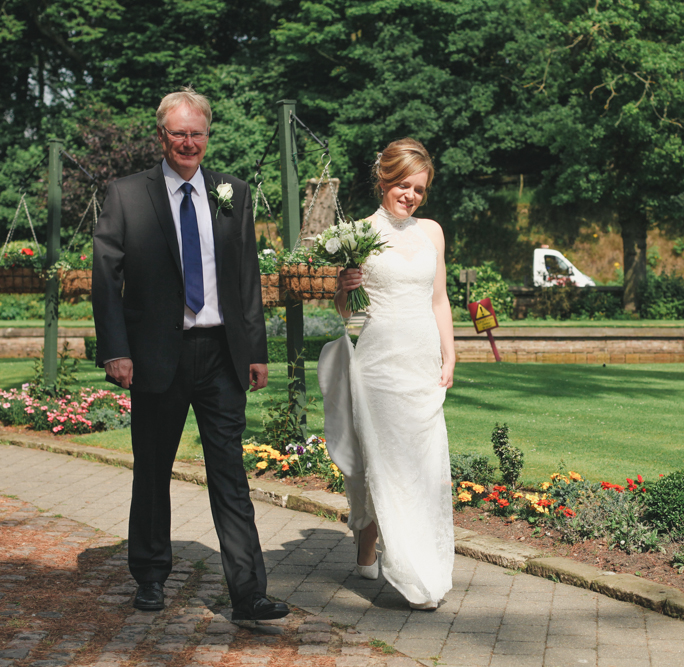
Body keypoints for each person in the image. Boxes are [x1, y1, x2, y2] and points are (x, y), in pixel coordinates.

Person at [92, 87, 288, 622]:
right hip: (156, 355)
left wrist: (255, 350)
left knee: (231, 473)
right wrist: (116, 350)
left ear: (207, 135)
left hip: (221, 354)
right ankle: (151, 576)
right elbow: (106, 281)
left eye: (196, 133)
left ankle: (248, 593)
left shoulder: (232, 191)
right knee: (153, 470)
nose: (187, 142)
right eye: (178, 133)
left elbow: (246, 277)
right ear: (162, 135)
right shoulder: (127, 195)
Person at [325, 138, 455, 610]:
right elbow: (349, 317)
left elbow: (439, 299)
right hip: (378, 365)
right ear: (383, 181)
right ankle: (399, 561)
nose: (411, 196)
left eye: (419, 189)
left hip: (422, 364)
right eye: (403, 185)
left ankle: (400, 550)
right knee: (384, 463)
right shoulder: (356, 234)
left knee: (423, 465)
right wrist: (345, 288)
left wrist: (450, 354)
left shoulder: (433, 233)